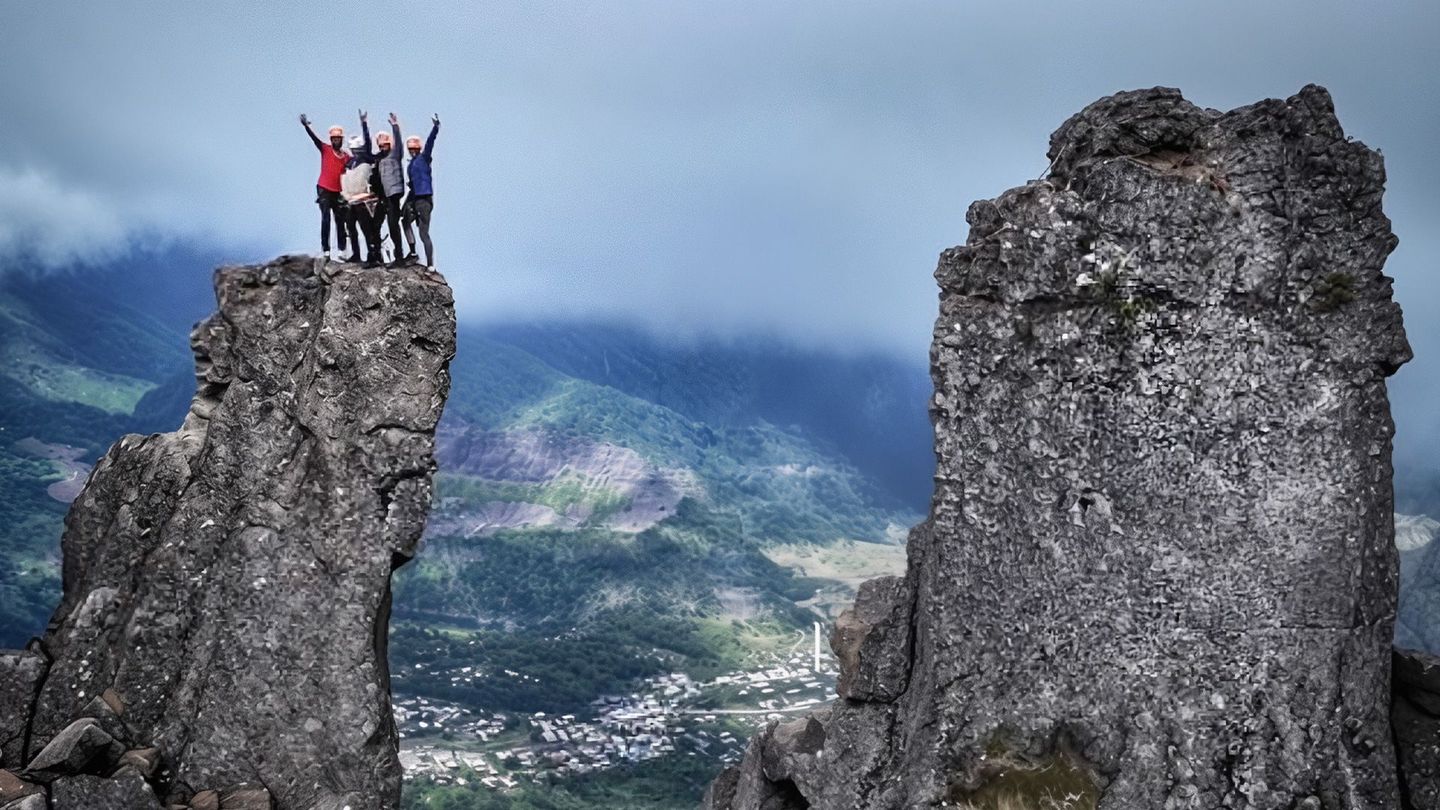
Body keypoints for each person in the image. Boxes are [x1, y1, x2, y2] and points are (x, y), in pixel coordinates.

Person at [299, 114, 350, 259]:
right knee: (326, 218)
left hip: (338, 191)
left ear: (341, 140)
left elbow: (356, 166)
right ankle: (326, 250)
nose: (336, 141)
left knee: (340, 220)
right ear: (331, 140)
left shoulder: (346, 156)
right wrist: (306, 126)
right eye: (334, 139)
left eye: (338, 139)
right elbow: (314, 139)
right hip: (324, 188)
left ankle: (342, 250)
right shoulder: (326, 149)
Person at [341, 110, 384, 267]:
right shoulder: (350, 163)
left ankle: (373, 255)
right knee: (351, 227)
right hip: (351, 200)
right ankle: (356, 254)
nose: (355, 151)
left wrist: (364, 124)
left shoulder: (366, 158)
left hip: (364, 200)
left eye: (356, 149)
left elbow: (368, 142)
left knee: (368, 229)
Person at [402, 114, 440, 269]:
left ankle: (430, 265)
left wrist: (435, 128)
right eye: (410, 149)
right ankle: (412, 253)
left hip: (424, 199)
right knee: (404, 221)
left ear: (419, 149)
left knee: (423, 233)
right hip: (414, 198)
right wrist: (404, 204)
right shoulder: (410, 165)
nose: (412, 151)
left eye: (414, 149)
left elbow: (430, 143)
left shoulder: (424, 158)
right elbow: (412, 186)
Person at [376, 114, 412, 267]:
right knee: (380, 224)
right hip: (385, 196)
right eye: (381, 145)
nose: (383, 147)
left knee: (393, 225)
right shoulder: (381, 160)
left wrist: (395, 126)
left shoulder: (395, 154)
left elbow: (399, 143)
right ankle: (379, 255)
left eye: (385, 145)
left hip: (394, 194)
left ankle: (399, 257)